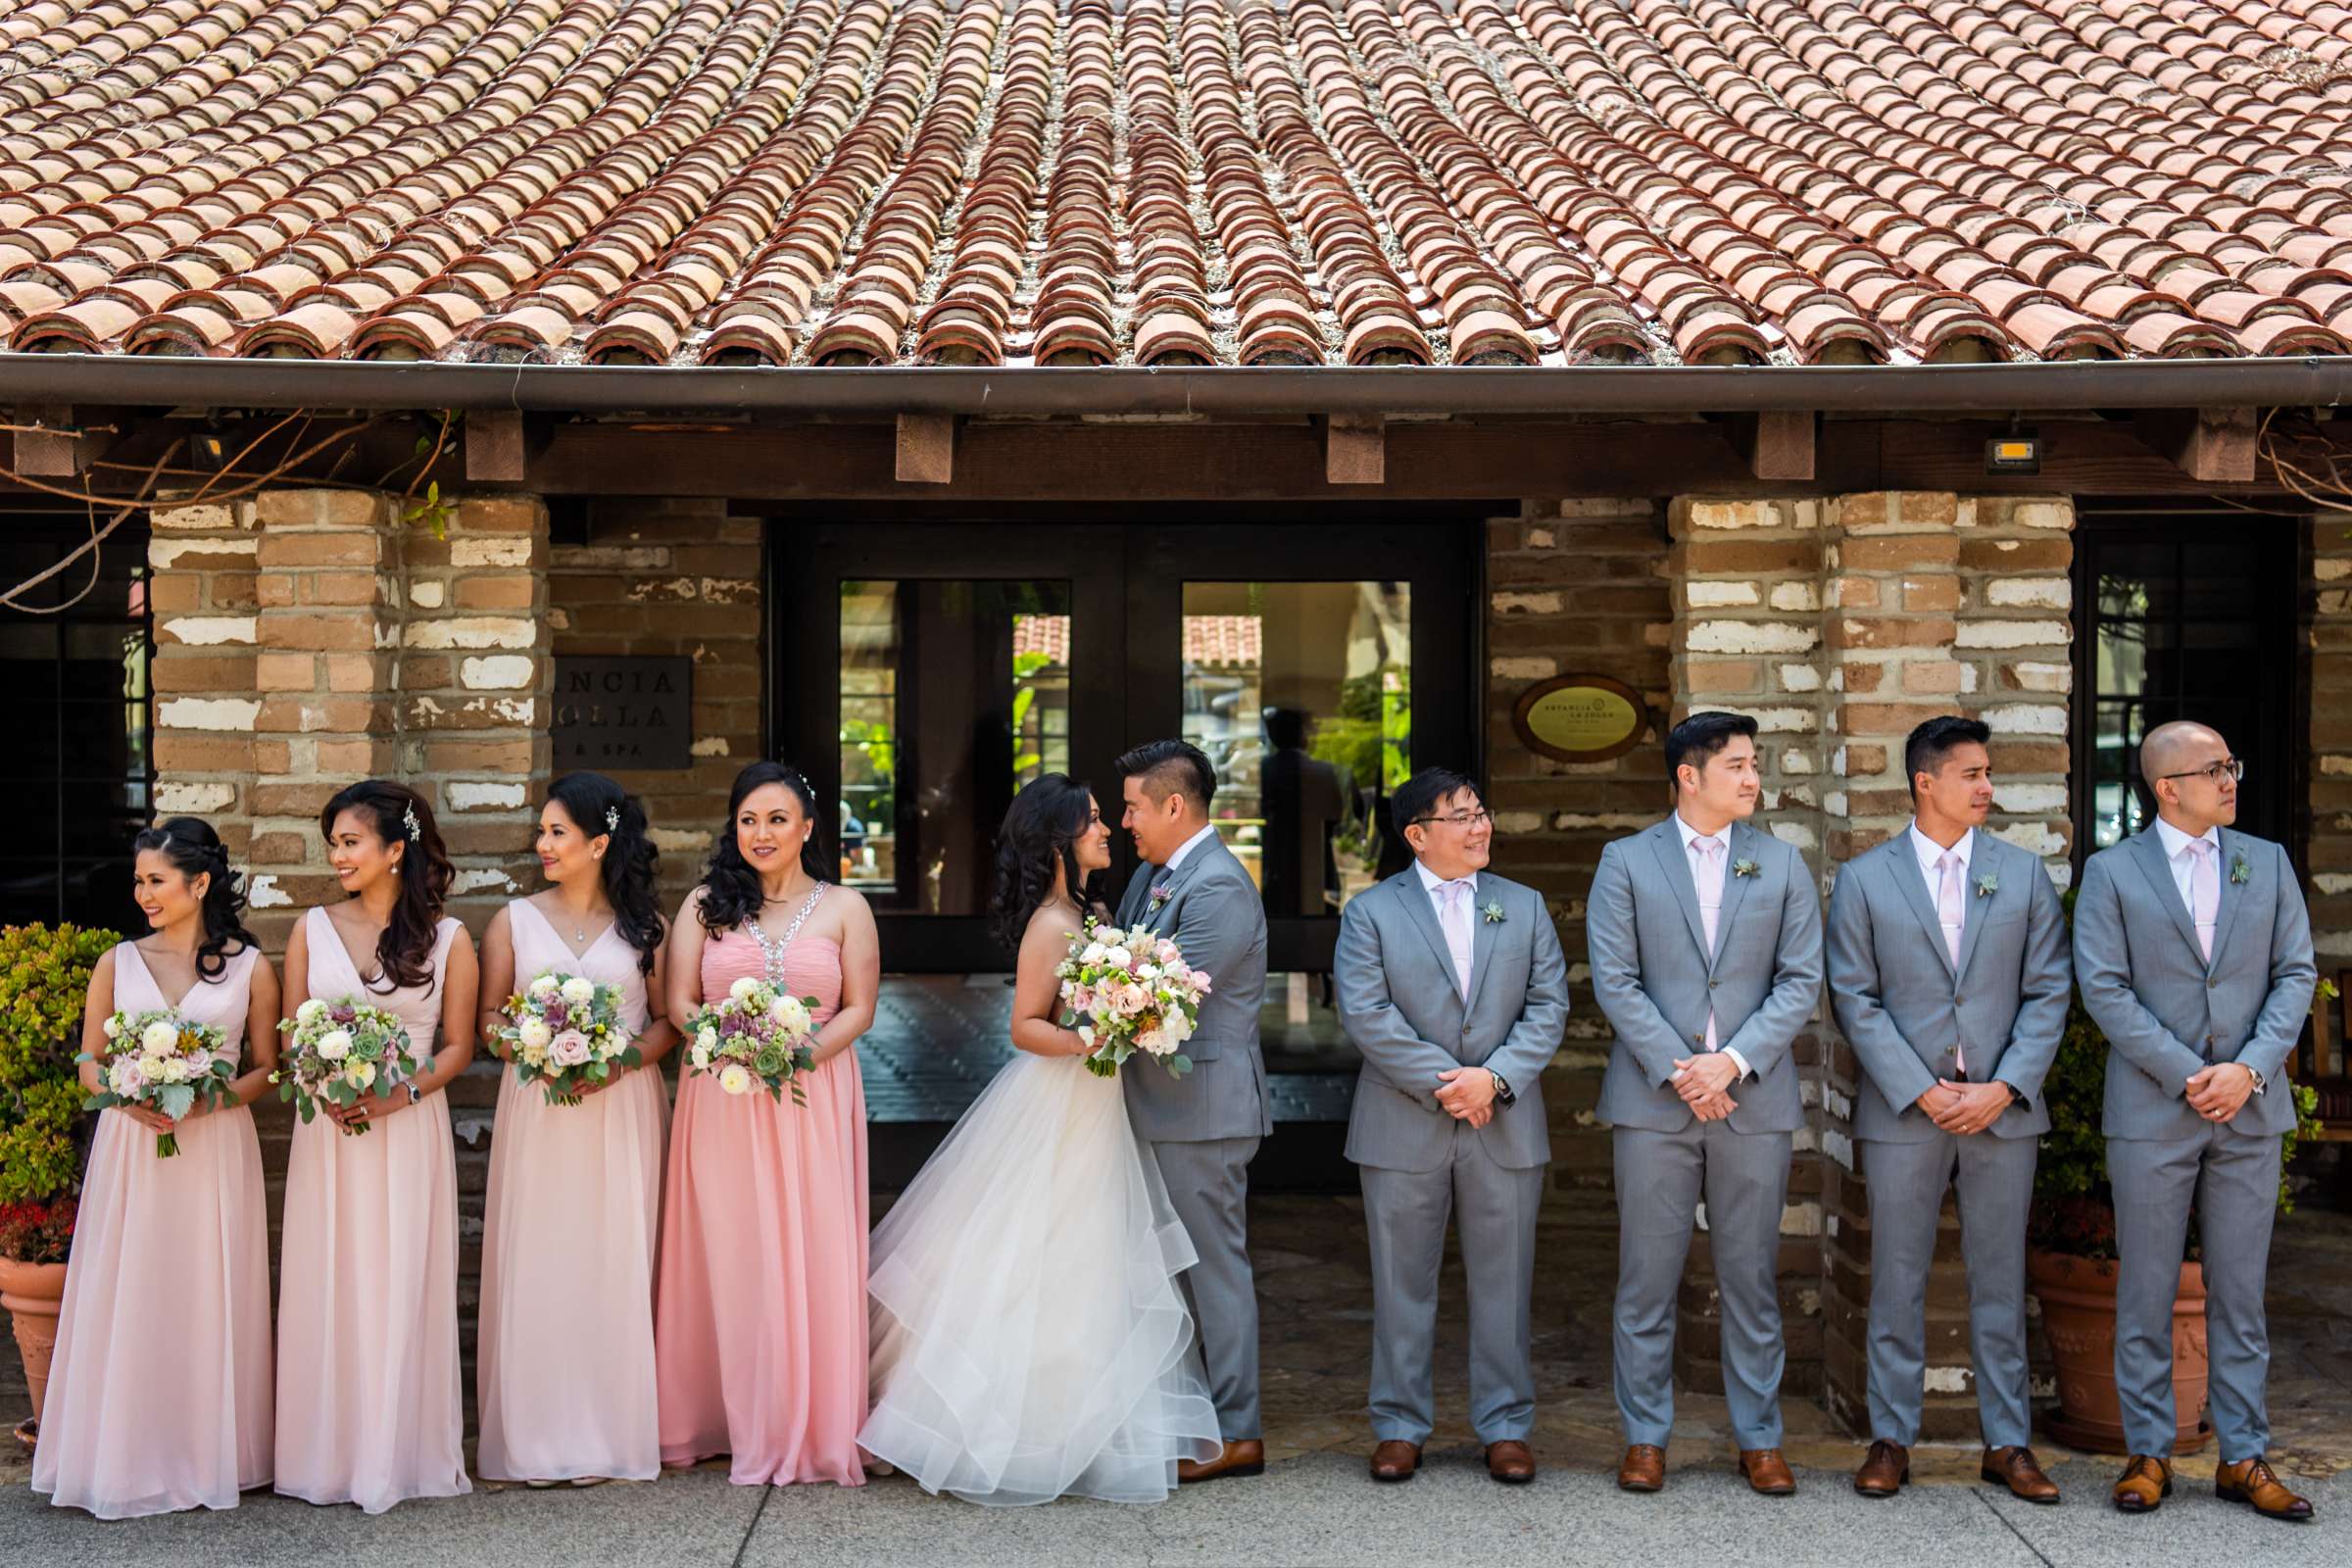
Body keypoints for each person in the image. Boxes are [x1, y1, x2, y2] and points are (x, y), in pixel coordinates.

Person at [859, 774, 1222, 1503]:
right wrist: (1101, 1035)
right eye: (1091, 821)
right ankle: (1005, 1428)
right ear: (1058, 840)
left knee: (1088, 1257)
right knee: (1034, 1256)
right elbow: (1025, 1027)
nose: (1106, 830)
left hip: (1094, 1105)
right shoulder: (1051, 925)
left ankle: (1076, 1426)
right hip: (1058, 1103)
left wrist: (1135, 1016)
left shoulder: (1088, 909)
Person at [2073, 720, 2318, 1522]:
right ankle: (2149, 1453)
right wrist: (2189, 1074)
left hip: (2249, 1110)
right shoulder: (2112, 874)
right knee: (2144, 1288)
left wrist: (2246, 1071)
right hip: (2153, 1111)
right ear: (2166, 787)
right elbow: (2105, 989)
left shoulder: (2267, 861)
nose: (2231, 779)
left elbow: (2295, 974)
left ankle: (2243, 1457)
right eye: (2214, 769)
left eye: (2232, 765)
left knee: (2240, 1296)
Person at [1827, 717, 2068, 1503]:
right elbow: (1854, 999)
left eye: (1988, 772)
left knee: (1999, 1281)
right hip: (1905, 1112)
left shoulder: (2023, 875)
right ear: (1925, 782)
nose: (1987, 786)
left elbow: (2048, 992)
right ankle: (1891, 1437)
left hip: (2003, 1112)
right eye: (1972, 773)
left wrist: (2004, 1086)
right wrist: (1920, 1087)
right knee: (1895, 1278)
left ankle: (2008, 1443)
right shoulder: (1865, 880)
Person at [1586, 710, 1822, 1496]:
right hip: (1655, 1102)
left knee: (1751, 1276)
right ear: (1690, 776)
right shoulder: (1626, 861)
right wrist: (1683, 1069)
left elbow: (1799, 980)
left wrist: (1731, 1064)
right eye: (1739, 766)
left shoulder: (1782, 863)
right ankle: (1645, 1436)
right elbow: (1614, 979)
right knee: (1646, 1276)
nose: (1754, 779)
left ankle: (1759, 1437)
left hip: (1752, 1099)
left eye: (1756, 765)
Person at [33, 818, 278, 1518]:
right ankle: (124, 1452)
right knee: (133, 1283)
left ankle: (208, 1455)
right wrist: (124, 1095)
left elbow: (267, 1067)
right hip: (132, 1145)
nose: (144, 893)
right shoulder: (118, 961)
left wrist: (210, 1100)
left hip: (214, 1148)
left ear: (200, 883)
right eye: (139, 881)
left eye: (157, 881)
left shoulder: (250, 967)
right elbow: (87, 1061)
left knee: (205, 1286)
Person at [1334, 768, 1568, 1486]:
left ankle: (1504, 1425)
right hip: (1403, 1123)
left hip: (1503, 1122)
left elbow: (1548, 1005)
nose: (1479, 827)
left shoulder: (1523, 906)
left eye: (1481, 813)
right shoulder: (1370, 913)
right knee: (1402, 1281)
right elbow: (1367, 1015)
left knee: (1506, 1280)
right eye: (1460, 817)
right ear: (1416, 836)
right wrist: (1452, 1085)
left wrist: (1491, 1081)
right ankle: (1400, 1424)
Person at [657, 760, 879, 1486]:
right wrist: (728, 1044)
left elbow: (859, 1009)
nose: (761, 833)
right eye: (749, 820)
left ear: (808, 829)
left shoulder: (846, 908)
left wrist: (798, 1055)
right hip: (722, 1094)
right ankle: (714, 1416)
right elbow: (680, 1002)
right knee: (729, 1246)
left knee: (811, 1245)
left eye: (777, 819)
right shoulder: (704, 906)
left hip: (814, 1096)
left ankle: (808, 1420)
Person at [275, 781, 476, 1512]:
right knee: (329, 1275)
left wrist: (402, 1093)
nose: (337, 856)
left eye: (350, 842)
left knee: (397, 1279)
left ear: (397, 850)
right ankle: (324, 1456)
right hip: (328, 1131)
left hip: (406, 1125)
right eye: (332, 842)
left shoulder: (449, 939)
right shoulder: (311, 928)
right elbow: (293, 1033)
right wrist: (320, 1083)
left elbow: (459, 1045)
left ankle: (398, 1454)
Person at [475, 773, 678, 1486]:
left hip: (621, 1104)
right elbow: (489, 1020)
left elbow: (664, 1025)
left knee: (615, 1252)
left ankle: (611, 1430)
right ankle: (537, 1434)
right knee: (543, 1254)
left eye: (557, 832)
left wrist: (615, 1060)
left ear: (600, 841)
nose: (543, 845)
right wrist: (534, 1045)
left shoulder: (647, 927)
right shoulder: (513, 921)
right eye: (542, 832)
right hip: (539, 1106)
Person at [1112, 739, 1272, 1483]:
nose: (1123, 822)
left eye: (1133, 806)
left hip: (1204, 1107)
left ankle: (1238, 1431)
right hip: (1158, 1103)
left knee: (1212, 1269)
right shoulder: (1153, 873)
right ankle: (1184, 1413)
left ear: (1175, 805)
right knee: (1169, 1270)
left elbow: (1161, 997)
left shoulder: (1219, 889)